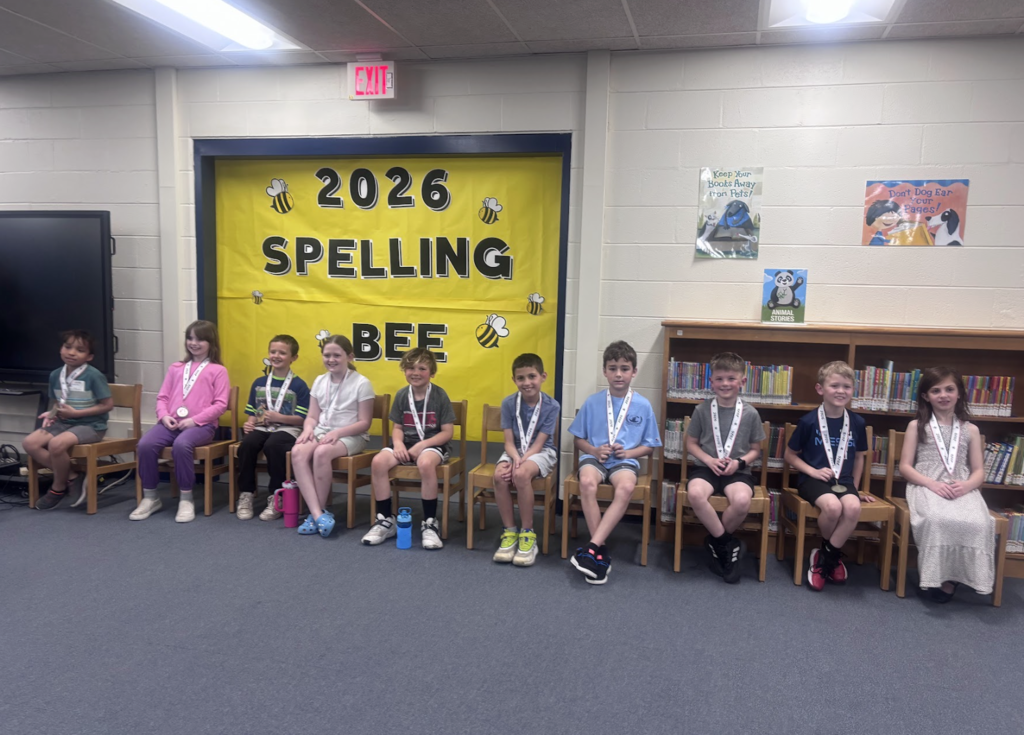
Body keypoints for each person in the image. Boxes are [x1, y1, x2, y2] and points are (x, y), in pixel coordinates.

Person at [567, 341, 661, 585]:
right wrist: (594, 450)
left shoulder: (643, 405)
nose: (618, 374)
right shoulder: (592, 402)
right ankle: (601, 550)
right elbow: (578, 440)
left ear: (634, 372)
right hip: (594, 458)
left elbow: (650, 445)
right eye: (613, 368)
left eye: (624, 368)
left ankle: (592, 548)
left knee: (626, 487)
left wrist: (628, 453)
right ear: (605, 371)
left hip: (623, 461)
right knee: (586, 482)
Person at [899, 367, 993, 603]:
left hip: (961, 486)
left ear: (959, 393)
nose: (943, 395)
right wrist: (931, 484)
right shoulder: (916, 426)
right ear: (925, 396)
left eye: (949, 389)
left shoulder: (971, 429)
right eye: (936, 390)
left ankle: (954, 578)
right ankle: (934, 577)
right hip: (926, 484)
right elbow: (905, 467)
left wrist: (967, 485)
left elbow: (979, 470)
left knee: (979, 522)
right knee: (936, 519)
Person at [784, 361, 873, 590]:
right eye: (834, 385)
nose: (841, 391)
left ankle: (824, 556)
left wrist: (855, 488)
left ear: (853, 390)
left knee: (852, 507)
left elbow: (860, 457)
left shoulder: (857, 422)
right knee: (833, 508)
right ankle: (831, 556)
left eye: (847, 386)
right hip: (813, 480)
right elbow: (790, 455)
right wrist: (812, 471)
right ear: (820, 389)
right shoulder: (809, 421)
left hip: (844, 482)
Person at [130, 320, 230, 522]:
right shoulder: (176, 368)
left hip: (202, 426)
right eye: (190, 338)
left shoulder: (218, 370)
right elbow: (162, 397)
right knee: (145, 444)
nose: (194, 343)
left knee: (182, 445)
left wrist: (194, 420)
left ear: (211, 342)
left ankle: (186, 498)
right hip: (171, 423)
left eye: (200, 339)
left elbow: (220, 404)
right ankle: (150, 497)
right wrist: (164, 416)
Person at [361, 348, 454, 550]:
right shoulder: (403, 395)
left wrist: (423, 445)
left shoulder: (439, 395)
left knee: (425, 462)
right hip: (406, 444)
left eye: (422, 368)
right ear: (404, 370)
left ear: (432, 372)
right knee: (378, 462)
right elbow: (397, 428)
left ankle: (430, 523)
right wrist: (399, 444)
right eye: (411, 367)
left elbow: (447, 432)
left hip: (432, 445)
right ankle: (385, 520)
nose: (416, 372)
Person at [685, 351, 765, 584]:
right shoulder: (702, 409)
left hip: (738, 471)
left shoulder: (750, 413)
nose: (725, 384)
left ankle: (715, 542)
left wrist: (739, 462)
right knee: (695, 494)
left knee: (741, 501)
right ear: (711, 382)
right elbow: (691, 443)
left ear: (742, 381)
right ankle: (726, 543)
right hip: (706, 468)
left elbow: (755, 450)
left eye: (731, 378)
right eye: (719, 379)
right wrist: (709, 460)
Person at [290, 335, 374, 538]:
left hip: (352, 435)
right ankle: (318, 514)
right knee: (297, 452)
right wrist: (308, 429)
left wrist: (338, 432)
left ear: (350, 357)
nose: (331, 359)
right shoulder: (319, 381)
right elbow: (311, 416)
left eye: (337, 355)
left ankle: (315, 514)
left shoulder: (362, 383)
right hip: (321, 432)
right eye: (327, 355)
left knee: (322, 452)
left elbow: (365, 422)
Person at [23, 330, 113, 510]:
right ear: (60, 349)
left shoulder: (94, 376)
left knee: (56, 444)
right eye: (68, 347)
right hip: (64, 423)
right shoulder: (56, 375)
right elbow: (58, 401)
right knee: (29, 443)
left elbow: (107, 405)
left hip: (91, 425)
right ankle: (72, 475)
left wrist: (77, 414)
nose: (72, 352)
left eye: (79, 350)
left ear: (89, 357)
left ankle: (58, 488)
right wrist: (51, 414)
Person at [491, 353, 560, 567]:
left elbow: (539, 444)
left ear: (543, 376)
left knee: (520, 474)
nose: (527, 382)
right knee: (500, 476)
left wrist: (520, 462)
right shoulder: (509, 403)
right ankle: (510, 532)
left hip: (541, 452)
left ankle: (528, 535)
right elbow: (508, 442)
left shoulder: (552, 406)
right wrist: (514, 458)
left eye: (532, 376)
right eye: (521, 378)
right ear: (514, 380)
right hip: (515, 451)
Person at [235, 335, 310, 521]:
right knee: (247, 445)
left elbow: (302, 419)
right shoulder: (259, 383)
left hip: (288, 429)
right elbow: (252, 411)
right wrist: (249, 422)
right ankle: (246, 493)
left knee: (274, 446)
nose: (276, 356)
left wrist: (279, 417)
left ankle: (277, 496)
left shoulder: (299, 386)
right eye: (273, 352)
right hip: (263, 428)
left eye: (282, 353)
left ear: (294, 358)